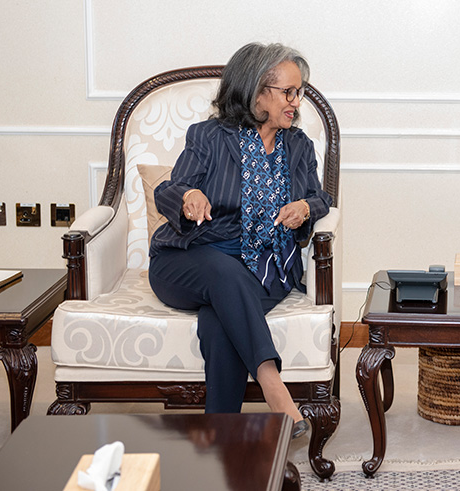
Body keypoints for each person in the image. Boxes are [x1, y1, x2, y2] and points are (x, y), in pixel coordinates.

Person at [147, 42, 333, 437]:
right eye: (288, 91)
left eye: (298, 92)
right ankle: (275, 390)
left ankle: (221, 442)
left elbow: (319, 198)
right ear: (256, 91)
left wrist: (304, 207)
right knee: (222, 273)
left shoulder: (298, 146)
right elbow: (171, 187)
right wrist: (188, 197)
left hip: (264, 265)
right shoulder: (209, 136)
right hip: (189, 259)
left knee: (219, 322)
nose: (296, 102)